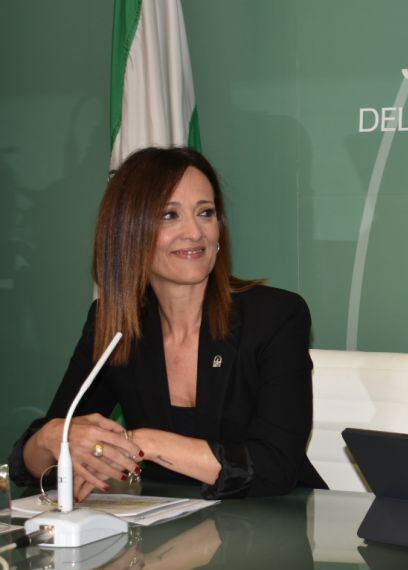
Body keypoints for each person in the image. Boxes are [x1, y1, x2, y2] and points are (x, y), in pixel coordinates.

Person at [7, 147, 326, 499]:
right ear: (130, 231)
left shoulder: (276, 316)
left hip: (275, 527)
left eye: (205, 213)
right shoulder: (113, 322)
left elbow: (274, 467)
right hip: (167, 529)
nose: (195, 232)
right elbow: (36, 466)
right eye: (169, 215)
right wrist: (52, 437)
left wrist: (142, 442)